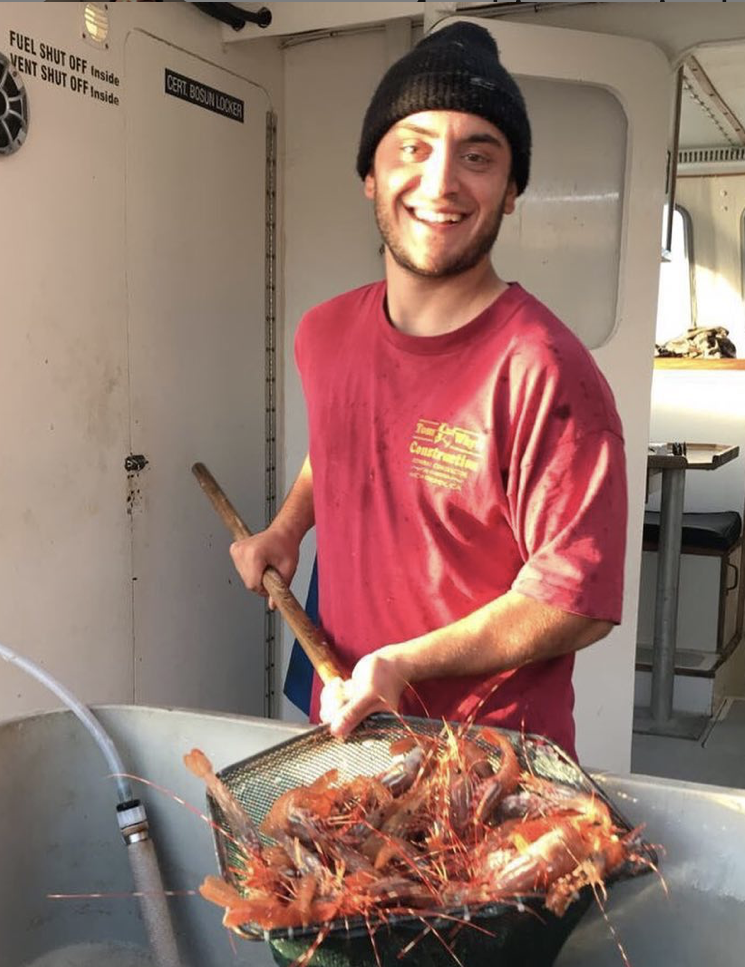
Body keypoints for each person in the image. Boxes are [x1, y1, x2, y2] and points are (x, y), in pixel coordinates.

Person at [231, 21, 626, 761]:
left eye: (478, 155)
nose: (442, 182)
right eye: (412, 147)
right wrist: (287, 529)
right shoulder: (323, 333)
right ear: (370, 175)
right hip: (350, 732)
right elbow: (339, 446)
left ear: (511, 191)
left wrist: (406, 662)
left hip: (490, 765)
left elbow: (577, 602)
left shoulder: (546, 372)